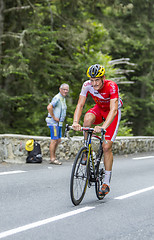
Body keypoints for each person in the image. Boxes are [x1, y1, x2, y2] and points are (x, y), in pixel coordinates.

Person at [72, 64, 123, 196]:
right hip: (99, 109)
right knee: (88, 118)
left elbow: (113, 110)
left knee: (106, 147)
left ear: (103, 78)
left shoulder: (111, 86)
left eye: (97, 80)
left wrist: (103, 127)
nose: (94, 84)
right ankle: (86, 151)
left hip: (112, 113)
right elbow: (80, 104)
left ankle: (106, 182)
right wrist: (75, 122)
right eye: (92, 80)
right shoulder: (87, 85)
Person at [46, 83, 69, 165]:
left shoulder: (63, 98)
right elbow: (49, 107)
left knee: (58, 140)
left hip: (59, 124)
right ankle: (52, 158)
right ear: (60, 89)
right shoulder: (57, 98)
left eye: (67, 90)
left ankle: (53, 156)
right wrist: (54, 117)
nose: (65, 91)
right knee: (54, 140)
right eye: (64, 89)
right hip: (54, 123)